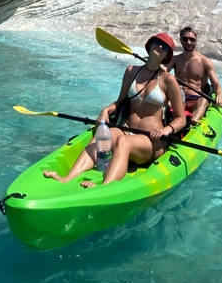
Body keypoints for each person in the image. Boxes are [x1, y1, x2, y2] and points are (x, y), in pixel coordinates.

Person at [43, 33, 187, 188]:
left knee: (123, 142)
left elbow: (181, 118)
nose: (160, 47)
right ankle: (67, 178)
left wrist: (166, 130)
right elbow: (120, 101)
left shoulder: (168, 80)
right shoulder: (131, 71)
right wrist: (106, 110)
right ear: (150, 45)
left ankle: (105, 187)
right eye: (157, 42)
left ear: (166, 55)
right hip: (127, 130)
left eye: (165, 47)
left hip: (152, 140)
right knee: (103, 135)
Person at [166, 26, 222, 125]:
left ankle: (192, 121)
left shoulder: (204, 61)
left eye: (191, 39)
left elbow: (216, 84)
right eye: (185, 39)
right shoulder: (175, 60)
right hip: (178, 98)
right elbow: (161, 74)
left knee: (203, 101)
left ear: (196, 41)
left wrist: (219, 95)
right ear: (181, 40)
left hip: (196, 99)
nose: (188, 42)